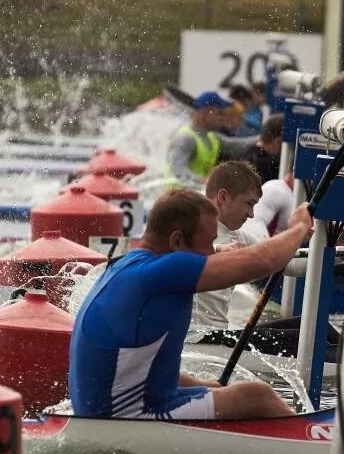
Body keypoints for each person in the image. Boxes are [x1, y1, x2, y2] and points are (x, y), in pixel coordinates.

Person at [69, 188, 313, 420]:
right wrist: (300, 227)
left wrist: (202, 386)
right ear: (177, 240)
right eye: (208, 243)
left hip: (103, 408)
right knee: (257, 396)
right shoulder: (164, 273)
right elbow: (264, 261)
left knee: (221, 387)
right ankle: (314, 444)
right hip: (128, 416)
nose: (212, 251)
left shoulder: (124, 265)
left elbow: (140, 368)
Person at [191, 161, 267, 331]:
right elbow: (165, 259)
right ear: (223, 197)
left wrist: (333, 253)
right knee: (298, 338)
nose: (252, 214)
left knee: (306, 328)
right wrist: (218, 251)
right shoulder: (188, 227)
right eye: (249, 203)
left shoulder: (240, 237)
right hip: (195, 337)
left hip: (219, 333)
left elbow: (287, 264)